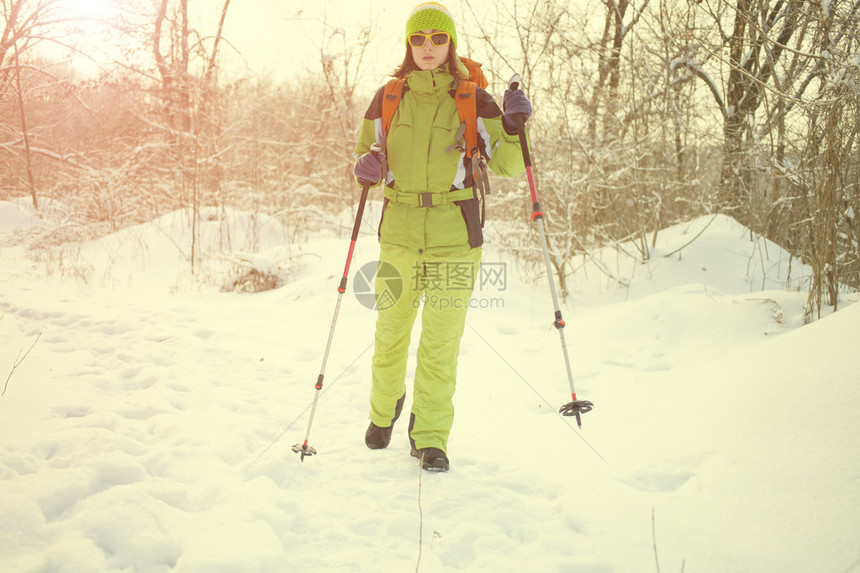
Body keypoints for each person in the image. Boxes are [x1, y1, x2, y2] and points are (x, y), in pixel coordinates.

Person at [352, 2, 532, 472]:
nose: (427, 47)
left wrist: (513, 127)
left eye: (437, 38)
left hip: (456, 235)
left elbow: (510, 166)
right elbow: (364, 160)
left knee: (440, 342)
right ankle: (384, 408)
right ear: (408, 45)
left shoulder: (475, 100)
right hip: (399, 234)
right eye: (418, 38)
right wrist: (365, 169)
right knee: (390, 333)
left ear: (450, 43)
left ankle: (430, 437)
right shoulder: (386, 98)